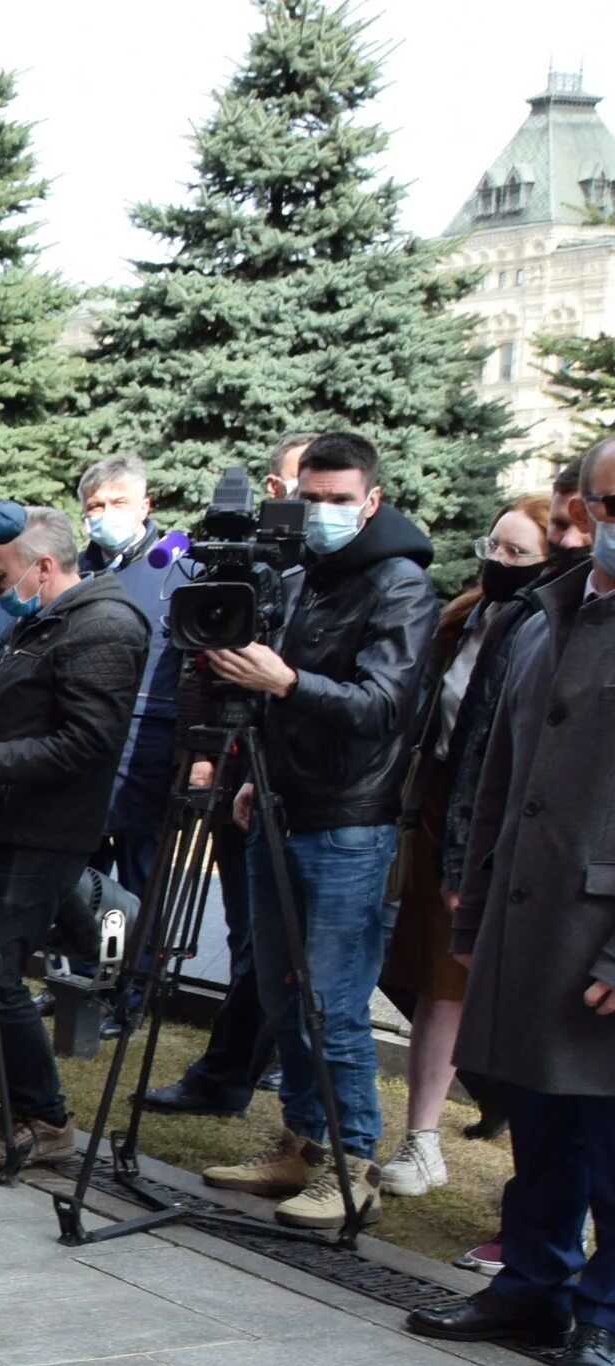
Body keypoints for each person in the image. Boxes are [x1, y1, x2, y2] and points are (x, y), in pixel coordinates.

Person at [190, 431, 438, 1228]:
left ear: (370, 501)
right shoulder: (299, 579)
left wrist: (288, 680)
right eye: (311, 498)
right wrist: (249, 778)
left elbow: (381, 708)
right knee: (281, 992)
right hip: (275, 803)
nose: (323, 514)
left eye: (339, 500)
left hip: (347, 823)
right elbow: (263, 699)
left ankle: (349, 1159)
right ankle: (300, 1140)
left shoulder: (400, 587)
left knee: (329, 1000)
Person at [412, 433, 615, 1366]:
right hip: (530, 916)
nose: (601, 525)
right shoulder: (551, 610)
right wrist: (476, 894)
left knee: (608, 1134)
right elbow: (501, 766)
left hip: (600, 932)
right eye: (598, 505)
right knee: (540, 1122)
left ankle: (605, 1315)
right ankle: (534, 1280)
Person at [0, 507, 149, 1168]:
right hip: (3, 822)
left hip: (41, 834)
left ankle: (47, 1120)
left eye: (0, 573)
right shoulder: (48, 622)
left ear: (44, 567)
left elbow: (91, 742)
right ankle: (20, 1102)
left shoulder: (104, 625)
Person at [379, 497, 553, 1198]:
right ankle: (427, 1136)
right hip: (435, 811)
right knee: (422, 979)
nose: (500, 563)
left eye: (519, 554)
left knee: (453, 986)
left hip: (486, 832)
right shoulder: (465, 619)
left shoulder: (538, 630)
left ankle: (451, 1132)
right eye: (496, 547)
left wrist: (471, 855)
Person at [145, 430, 318, 1115]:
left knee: (285, 948)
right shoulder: (240, 568)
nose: (309, 506)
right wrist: (205, 756)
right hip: (237, 778)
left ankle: (257, 1069)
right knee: (251, 937)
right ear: (275, 491)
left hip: (305, 790)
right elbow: (198, 668)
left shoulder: (338, 585)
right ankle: (227, 1073)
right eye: (302, 488)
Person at [78, 454, 189, 901]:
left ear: (145, 505)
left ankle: (142, 970)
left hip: (151, 753)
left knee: (147, 882)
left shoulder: (180, 571)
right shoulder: (76, 572)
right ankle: (84, 969)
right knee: (82, 887)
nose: (106, 515)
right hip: (85, 750)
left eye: (118, 502)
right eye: (95, 506)